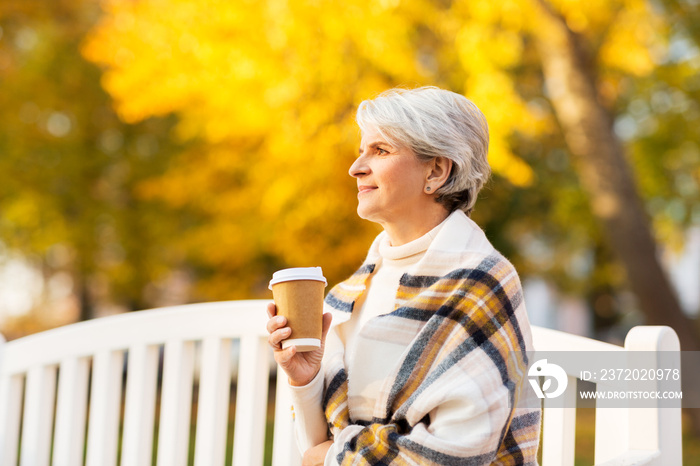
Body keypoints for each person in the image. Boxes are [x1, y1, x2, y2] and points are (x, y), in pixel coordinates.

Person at [266, 86, 541, 465]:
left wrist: (332, 459)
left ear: (437, 171)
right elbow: (317, 441)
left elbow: (456, 451)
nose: (356, 167)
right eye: (362, 150)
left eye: (380, 151)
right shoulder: (348, 295)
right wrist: (306, 378)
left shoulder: (481, 284)